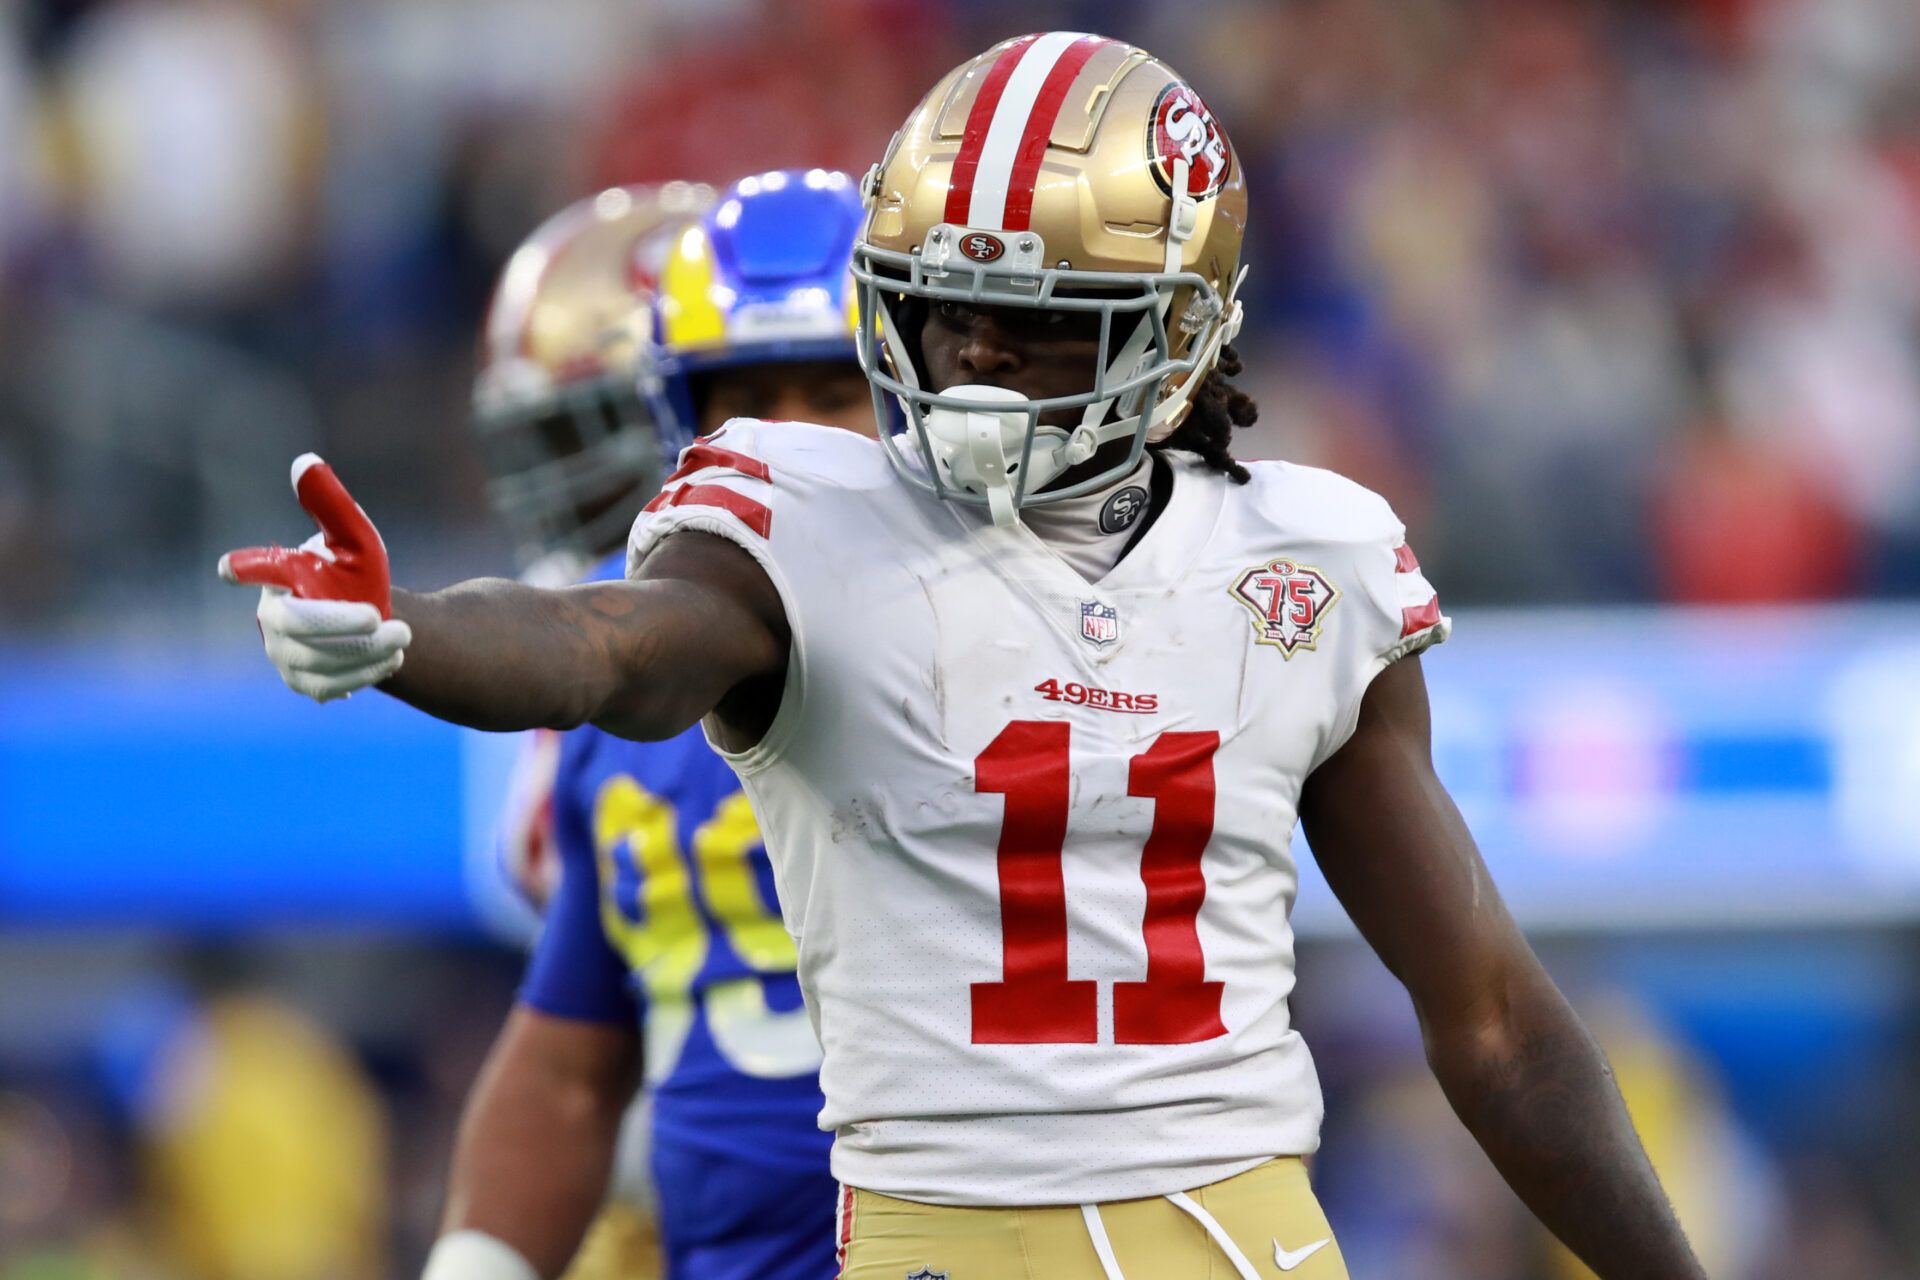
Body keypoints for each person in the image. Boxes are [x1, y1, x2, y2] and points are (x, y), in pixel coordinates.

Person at [221, 33, 1705, 1280]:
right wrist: (411, 630)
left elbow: (1492, 1017)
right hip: (948, 1243)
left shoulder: (1306, 558)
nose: (976, 353)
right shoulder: (805, 518)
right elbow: (604, 645)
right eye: (943, 309)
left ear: (1179, 334)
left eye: (1036, 321)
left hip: (1252, 1241)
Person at [447, 171, 875, 1280]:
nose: (787, 445)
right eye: (746, 400)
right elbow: (570, 1060)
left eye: (835, 393)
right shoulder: (617, 712)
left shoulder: (1029, 639)